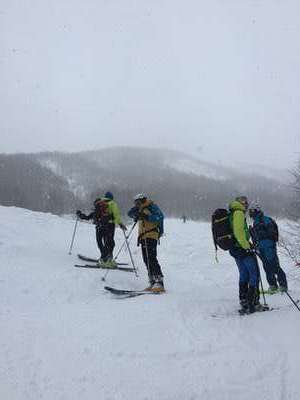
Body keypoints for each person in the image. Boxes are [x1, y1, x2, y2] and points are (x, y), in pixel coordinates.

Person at [228, 196, 262, 314]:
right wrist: (247, 246)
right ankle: (252, 302)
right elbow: (238, 231)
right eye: (244, 202)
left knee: (244, 274)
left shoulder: (232, 212)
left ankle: (244, 300)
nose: (246, 204)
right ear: (240, 202)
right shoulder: (238, 213)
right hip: (241, 248)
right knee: (254, 274)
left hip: (235, 248)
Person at [76, 192, 126, 267]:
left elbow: (87, 217)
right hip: (109, 226)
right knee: (109, 242)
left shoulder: (99, 206)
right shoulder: (112, 204)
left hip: (99, 227)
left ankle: (104, 257)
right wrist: (120, 224)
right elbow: (117, 216)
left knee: (100, 242)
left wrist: (79, 214)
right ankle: (107, 259)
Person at [128, 193, 165, 293]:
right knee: (146, 259)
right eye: (135, 202)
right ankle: (152, 281)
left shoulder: (152, 206)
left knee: (151, 257)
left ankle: (159, 281)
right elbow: (129, 213)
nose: (136, 204)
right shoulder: (139, 208)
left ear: (143, 200)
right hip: (143, 236)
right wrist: (137, 214)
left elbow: (160, 217)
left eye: (138, 202)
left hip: (152, 234)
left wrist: (146, 217)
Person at [249, 207, 288, 293]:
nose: (251, 215)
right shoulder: (255, 221)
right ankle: (273, 285)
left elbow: (272, 233)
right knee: (266, 266)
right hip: (260, 247)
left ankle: (283, 285)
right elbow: (256, 236)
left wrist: (267, 240)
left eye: (252, 213)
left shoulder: (266, 219)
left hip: (268, 246)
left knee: (274, 264)